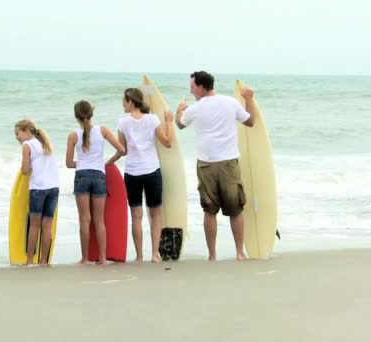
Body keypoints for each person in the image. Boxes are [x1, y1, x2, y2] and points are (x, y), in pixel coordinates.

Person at [175, 71, 257, 261]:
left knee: (209, 210)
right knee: (235, 209)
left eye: (193, 87)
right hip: (229, 164)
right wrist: (249, 99)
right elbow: (251, 121)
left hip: (206, 165)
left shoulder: (194, 108)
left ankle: (212, 255)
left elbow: (179, 124)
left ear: (202, 87)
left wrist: (179, 109)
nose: (191, 90)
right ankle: (239, 253)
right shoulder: (230, 102)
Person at [107, 88, 173, 263]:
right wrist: (169, 122)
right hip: (152, 172)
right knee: (155, 215)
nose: (122, 104)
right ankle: (155, 254)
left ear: (130, 101)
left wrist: (109, 161)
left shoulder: (122, 123)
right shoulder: (152, 119)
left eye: (124, 100)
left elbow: (123, 150)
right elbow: (167, 142)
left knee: (136, 215)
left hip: (132, 173)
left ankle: (139, 256)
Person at [66, 100, 126, 264]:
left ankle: (85, 259)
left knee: (84, 219)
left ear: (76, 116)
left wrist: (82, 163)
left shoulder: (73, 135)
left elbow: (69, 163)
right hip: (99, 175)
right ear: (92, 113)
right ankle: (102, 258)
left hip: (82, 176)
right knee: (99, 220)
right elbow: (122, 150)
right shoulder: (103, 130)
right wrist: (108, 162)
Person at [14, 119, 59, 265]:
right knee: (47, 226)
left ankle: (29, 262)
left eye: (17, 133)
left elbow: (25, 171)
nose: (17, 138)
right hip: (53, 188)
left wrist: (24, 168)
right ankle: (44, 261)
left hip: (38, 189)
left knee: (34, 226)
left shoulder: (27, 145)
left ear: (27, 131)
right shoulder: (46, 143)